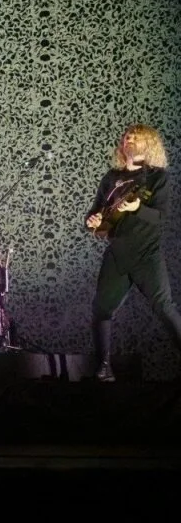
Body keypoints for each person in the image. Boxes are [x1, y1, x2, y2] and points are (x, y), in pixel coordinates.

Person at [84, 124, 181, 382]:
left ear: (149, 144)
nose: (129, 140)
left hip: (146, 254)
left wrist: (138, 207)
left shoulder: (157, 177)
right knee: (101, 310)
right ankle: (103, 368)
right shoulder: (111, 177)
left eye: (136, 138)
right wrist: (92, 221)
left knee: (164, 308)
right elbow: (96, 211)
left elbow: (160, 217)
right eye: (127, 137)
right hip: (117, 254)